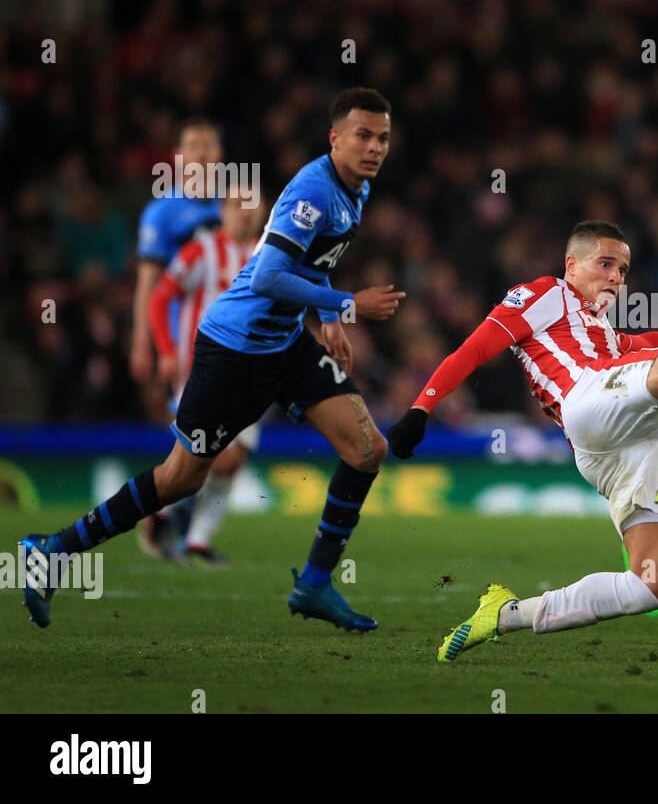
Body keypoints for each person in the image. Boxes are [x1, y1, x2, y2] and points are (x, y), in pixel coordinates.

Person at [21, 88, 405, 633]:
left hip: (286, 342)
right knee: (181, 479)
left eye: (382, 137)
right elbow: (269, 275)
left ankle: (314, 584)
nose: (373, 147)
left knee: (368, 449)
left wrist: (326, 318)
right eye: (362, 135)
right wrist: (347, 303)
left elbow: (307, 264)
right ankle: (54, 550)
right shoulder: (314, 191)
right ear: (335, 138)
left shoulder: (356, 189)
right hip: (233, 349)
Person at [386, 221, 658, 662]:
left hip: (616, 448)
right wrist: (420, 408)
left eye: (622, 269)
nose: (615, 278)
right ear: (571, 264)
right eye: (605, 264)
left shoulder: (600, 330)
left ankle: (504, 614)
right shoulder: (546, 294)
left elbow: (643, 342)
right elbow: (473, 349)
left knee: (656, 584)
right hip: (584, 402)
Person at [144, 189, 266, 562]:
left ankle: (197, 540)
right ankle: (161, 511)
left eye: (253, 205)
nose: (245, 213)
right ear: (223, 210)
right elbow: (161, 297)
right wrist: (165, 348)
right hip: (203, 370)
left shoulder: (268, 254)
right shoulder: (201, 250)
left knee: (234, 459)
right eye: (237, 205)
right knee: (206, 457)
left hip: (253, 375)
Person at [130, 118, 224, 556]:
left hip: (230, 340)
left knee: (213, 444)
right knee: (200, 443)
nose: (202, 154)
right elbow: (149, 284)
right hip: (183, 341)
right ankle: (165, 517)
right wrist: (144, 342)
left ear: (220, 157)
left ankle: (167, 518)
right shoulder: (163, 212)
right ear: (179, 158)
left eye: (209, 146)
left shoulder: (232, 208)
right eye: (193, 147)